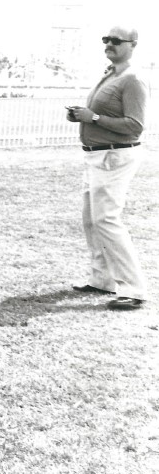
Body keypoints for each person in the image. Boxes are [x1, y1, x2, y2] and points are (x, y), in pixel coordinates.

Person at [67, 25, 149, 311]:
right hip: (96, 158)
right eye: (106, 39)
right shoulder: (110, 74)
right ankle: (102, 279)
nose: (109, 44)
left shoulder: (133, 79)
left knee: (107, 220)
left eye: (116, 40)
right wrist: (82, 116)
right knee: (91, 219)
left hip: (114, 158)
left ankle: (134, 289)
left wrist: (94, 118)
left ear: (133, 45)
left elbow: (135, 127)